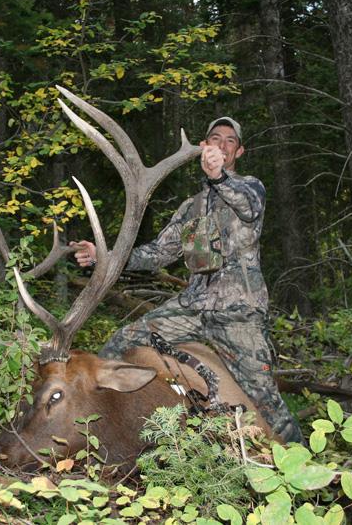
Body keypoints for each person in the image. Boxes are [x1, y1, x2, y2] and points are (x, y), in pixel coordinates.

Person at [71, 117, 303, 444]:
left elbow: (249, 209)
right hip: (192, 309)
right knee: (122, 342)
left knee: (265, 399)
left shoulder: (251, 189)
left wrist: (219, 176)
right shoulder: (190, 208)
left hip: (239, 314)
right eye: (214, 139)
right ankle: (99, 425)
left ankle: (308, 469)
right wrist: (102, 257)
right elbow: (157, 254)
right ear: (202, 147)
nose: (221, 145)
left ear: (238, 151)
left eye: (230, 141)